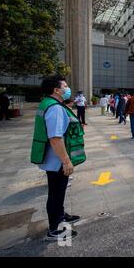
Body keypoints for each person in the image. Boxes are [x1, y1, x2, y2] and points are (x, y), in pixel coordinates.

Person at [30, 76, 86, 241]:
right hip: (56, 160)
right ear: (56, 89)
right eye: (65, 86)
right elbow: (55, 137)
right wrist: (66, 161)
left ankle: (61, 215)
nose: (68, 89)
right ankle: (55, 228)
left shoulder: (47, 103)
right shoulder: (55, 108)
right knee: (56, 193)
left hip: (52, 158)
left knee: (58, 191)